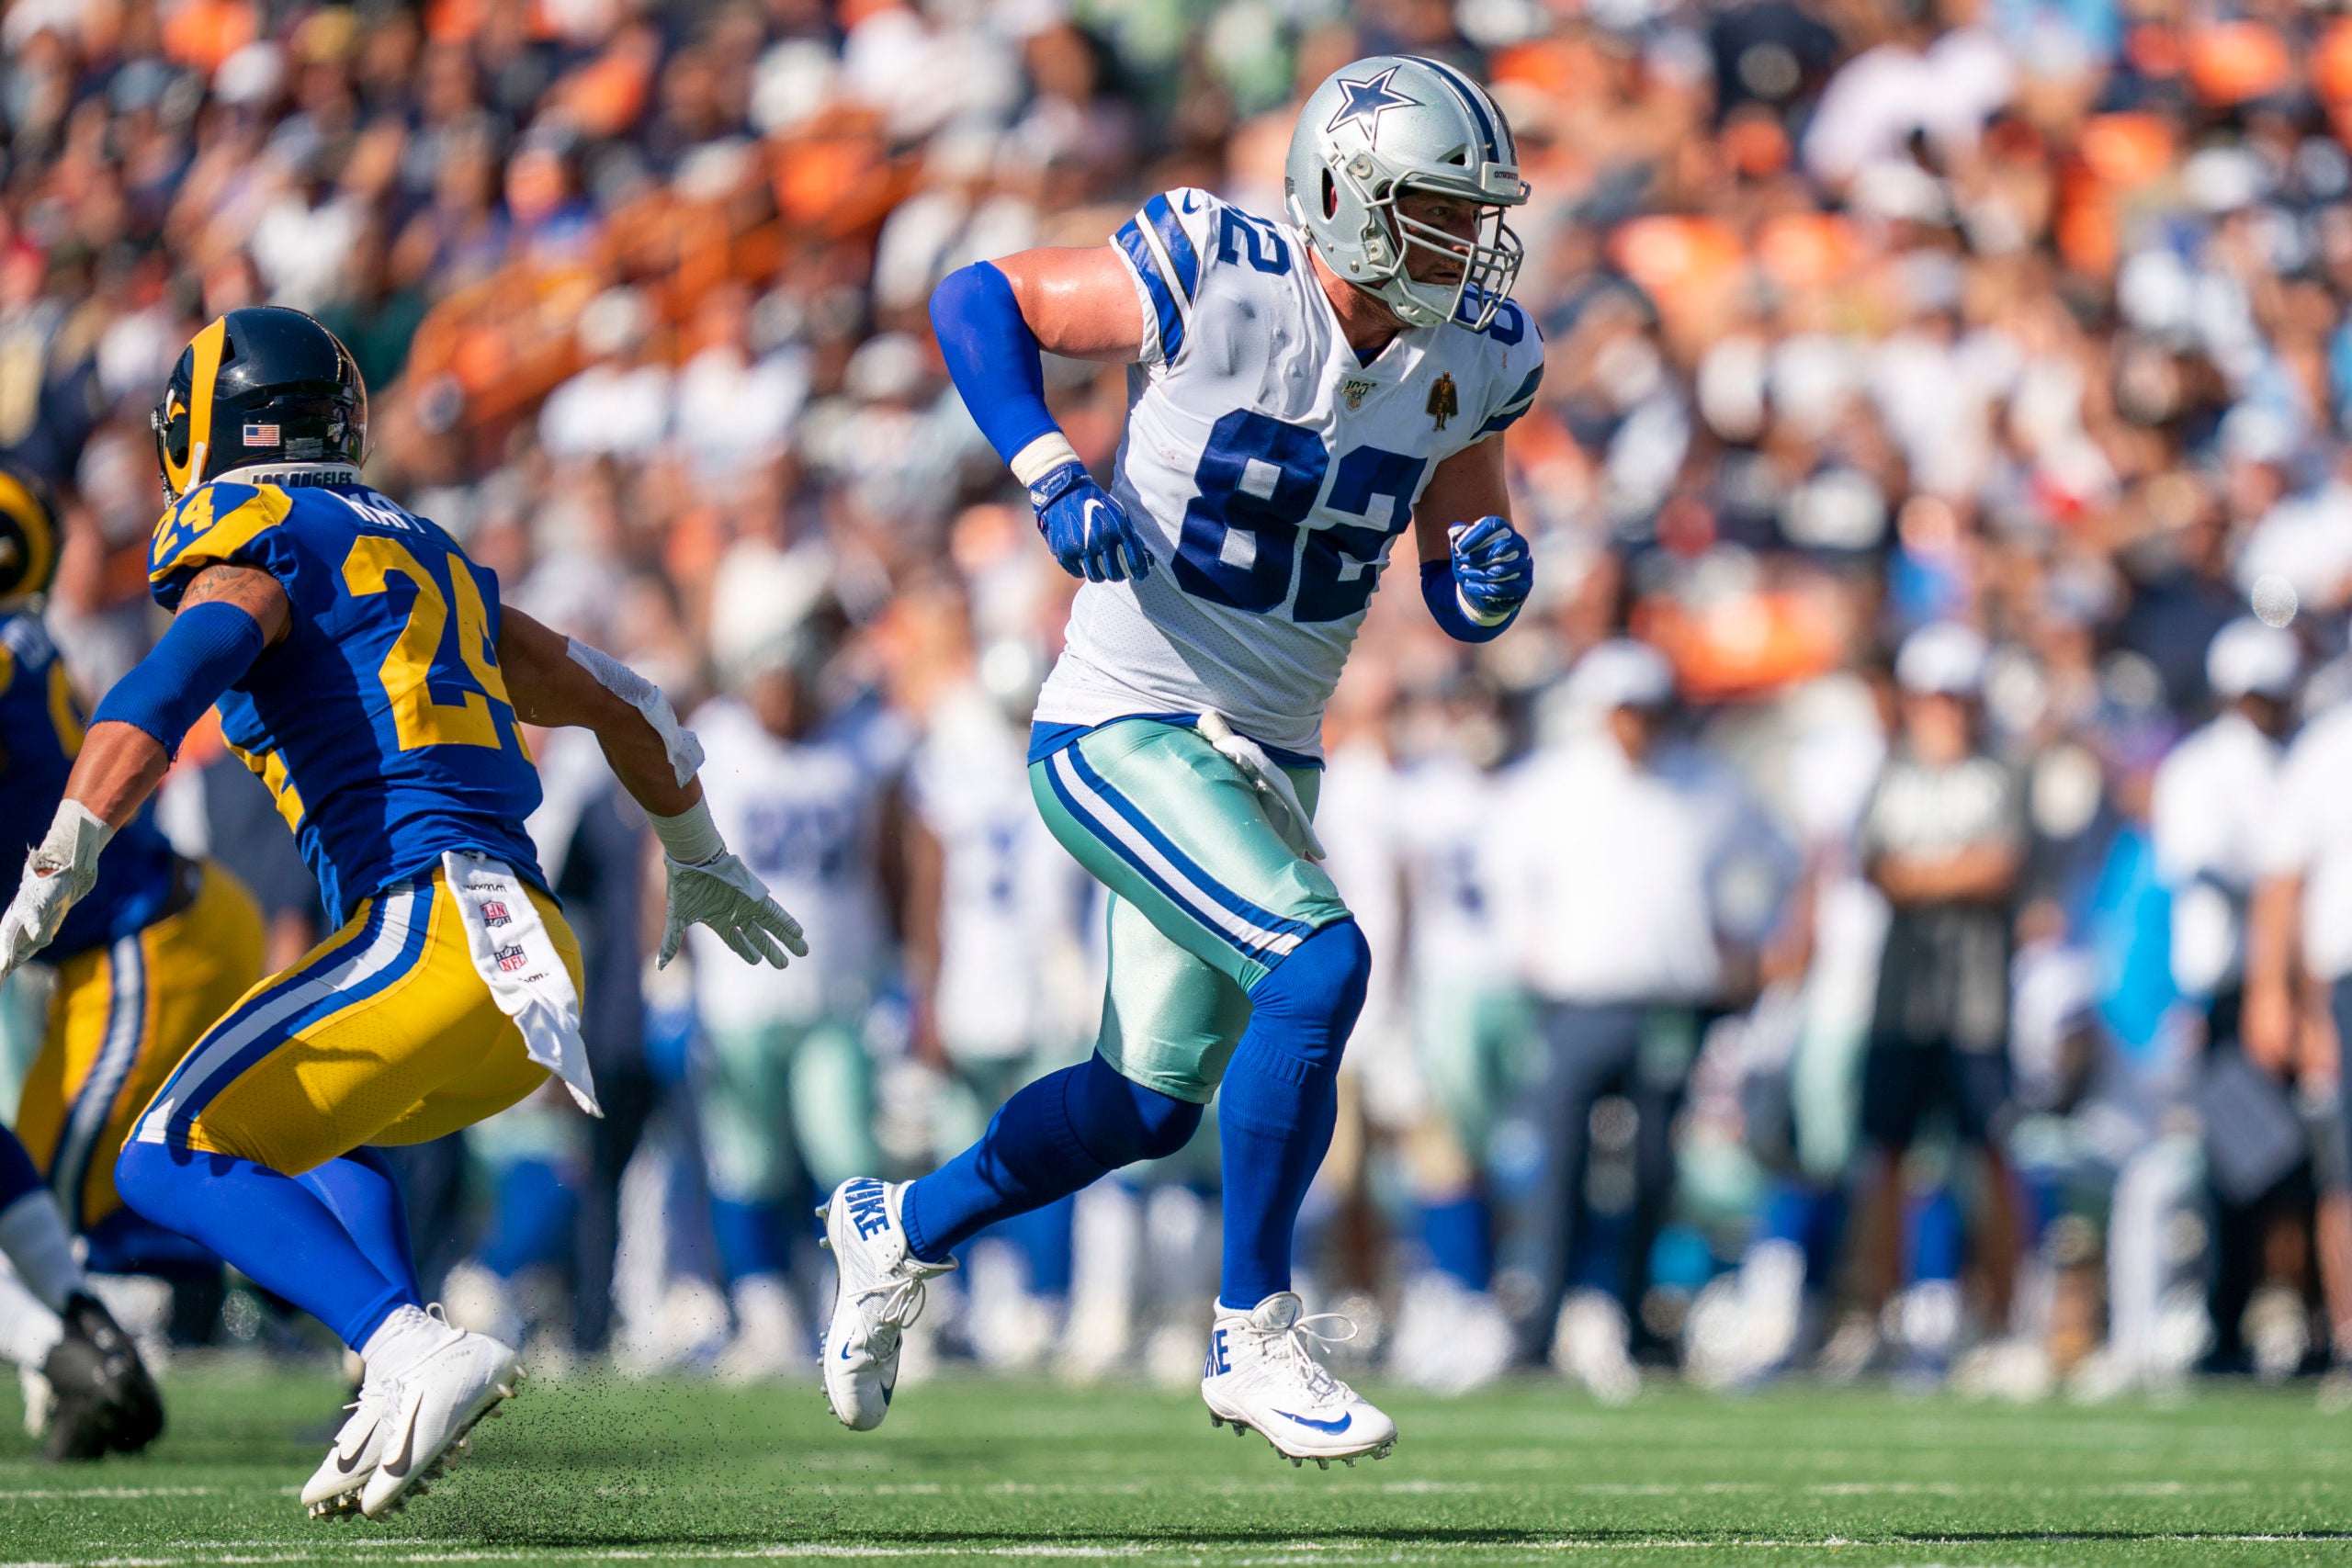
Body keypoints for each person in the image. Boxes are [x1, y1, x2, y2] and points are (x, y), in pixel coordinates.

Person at [818, 56, 1544, 1465]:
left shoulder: (1478, 354)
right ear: (1345, 201)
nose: (1468, 243)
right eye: (1437, 211)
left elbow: (1459, 571)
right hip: (1121, 724)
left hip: (1271, 751)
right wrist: (1042, 463)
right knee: (1321, 963)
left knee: (1145, 1106)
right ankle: (1252, 1326)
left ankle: (896, 1224)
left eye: (1473, 216)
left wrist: (1489, 579)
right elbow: (983, 296)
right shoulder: (1219, 269)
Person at [0, 308, 804, 1518]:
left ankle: (405, 1337)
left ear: (209, 431)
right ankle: (378, 1367)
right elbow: (627, 697)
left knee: (166, 1152)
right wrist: (698, 848)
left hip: (420, 928)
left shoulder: (258, 536)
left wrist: (57, 859)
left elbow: (166, 687)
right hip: (530, 951)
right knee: (324, 1134)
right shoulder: (424, 553)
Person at [1496, 639, 1792, 1395]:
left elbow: (1769, 869)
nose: (1635, 726)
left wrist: (1741, 944)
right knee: (1559, 1164)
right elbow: (1500, 877)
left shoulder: (1708, 785)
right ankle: (1541, 1326)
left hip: (1668, 1001)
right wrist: (1530, 952)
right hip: (1576, 1000)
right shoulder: (1550, 785)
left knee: (1655, 1168)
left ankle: (1637, 1320)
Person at [1, 462, 219, 1459]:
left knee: (113, 1179)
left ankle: (73, 1352)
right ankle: (67, 1350)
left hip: (137, 930)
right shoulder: (27, 641)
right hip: (120, 932)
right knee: (47, 1173)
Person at [1849, 622, 2028, 1382]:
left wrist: (1926, 874)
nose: (1947, 711)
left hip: (1979, 1003)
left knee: (1990, 1154)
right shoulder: (1889, 774)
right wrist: (1946, 872)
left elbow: (1998, 868)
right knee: (1886, 1155)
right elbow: (1877, 867)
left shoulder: (2002, 774)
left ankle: (2003, 1322)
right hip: (1901, 1000)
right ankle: (1881, 1318)